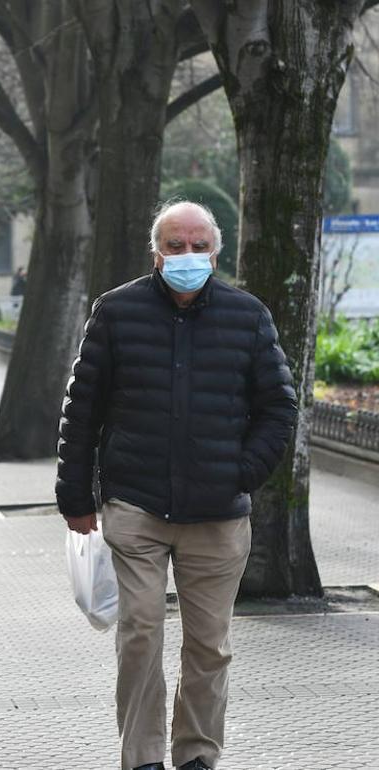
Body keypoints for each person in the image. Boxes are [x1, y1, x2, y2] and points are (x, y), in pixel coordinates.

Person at [56, 201, 297, 770]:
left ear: (215, 251)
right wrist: (74, 494)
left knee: (209, 647)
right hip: (135, 504)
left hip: (217, 514)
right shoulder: (116, 311)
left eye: (197, 246)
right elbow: (82, 408)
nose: (186, 256)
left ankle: (196, 756)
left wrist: (239, 474)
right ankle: (141, 758)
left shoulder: (249, 315)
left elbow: (279, 408)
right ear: (155, 252)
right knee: (140, 635)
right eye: (174, 245)